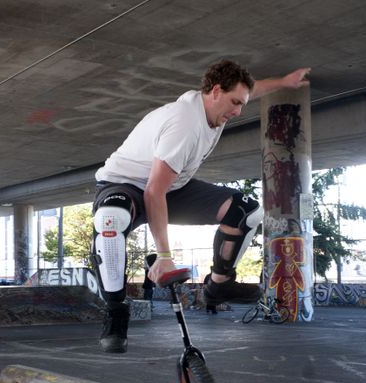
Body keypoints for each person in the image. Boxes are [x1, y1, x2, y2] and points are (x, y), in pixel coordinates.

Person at [91, 59, 311, 353]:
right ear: (216, 91)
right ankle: (116, 311)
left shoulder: (215, 104)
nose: (237, 111)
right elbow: (154, 192)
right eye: (234, 103)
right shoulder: (184, 124)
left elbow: (253, 90)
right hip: (125, 186)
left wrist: (285, 81)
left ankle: (218, 284)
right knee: (110, 219)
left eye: (242, 104)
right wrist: (164, 257)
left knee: (247, 210)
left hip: (174, 189)